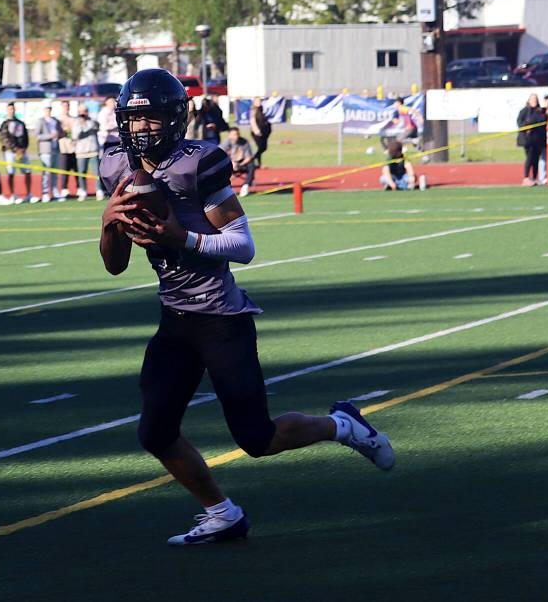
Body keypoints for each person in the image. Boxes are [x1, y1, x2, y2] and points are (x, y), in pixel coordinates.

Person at [98, 69, 394, 546]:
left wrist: (182, 237)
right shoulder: (115, 165)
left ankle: (341, 425)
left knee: (257, 439)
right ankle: (223, 514)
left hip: (221, 319)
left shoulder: (199, 163)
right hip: (176, 318)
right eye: (134, 119)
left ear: (175, 119)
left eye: (152, 118)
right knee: (155, 432)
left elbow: (242, 245)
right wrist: (110, 224)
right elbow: (114, 266)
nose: (142, 129)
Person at [0, 103, 36, 203]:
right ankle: (12, 195)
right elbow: (4, 139)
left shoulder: (20, 123)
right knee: (11, 173)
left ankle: (29, 194)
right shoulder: (5, 124)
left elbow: (25, 137)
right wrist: (15, 149)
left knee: (27, 172)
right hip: (10, 152)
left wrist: (23, 149)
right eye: (9, 109)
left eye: (13, 109)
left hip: (22, 151)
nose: (11, 111)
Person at [516, 93, 547, 187]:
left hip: (538, 139)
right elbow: (520, 124)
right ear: (529, 100)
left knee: (536, 159)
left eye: (536, 99)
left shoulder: (540, 111)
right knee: (529, 158)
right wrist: (528, 125)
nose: (534, 101)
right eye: (532, 99)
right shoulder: (524, 111)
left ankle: (534, 178)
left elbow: (543, 121)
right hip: (527, 139)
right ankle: (526, 178)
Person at [36, 104, 63, 203]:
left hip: (56, 148)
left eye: (50, 109)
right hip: (45, 150)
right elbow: (38, 136)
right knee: (46, 173)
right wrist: (50, 136)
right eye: (47, 109)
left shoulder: (55, 121)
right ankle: (45, 193)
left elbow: (61, 133)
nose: (48, 111)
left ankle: (55, 191)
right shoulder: (40, 121)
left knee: (55, 172)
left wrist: (60, 134)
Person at [73, 106, 101, 201]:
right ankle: (83, 191)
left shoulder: (92, 121)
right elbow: (76, 135)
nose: (83, 113)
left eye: (85, 111)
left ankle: (99, 190)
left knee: (96, 172)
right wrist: (81, 125)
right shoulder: (76, 122)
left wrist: (86, 124)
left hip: (93, 150)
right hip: (81, 151)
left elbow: (96, 126)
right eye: (81, 111)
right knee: (82, 172)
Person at [219, 127, 257, 197]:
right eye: (234, 134)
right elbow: (218, 155)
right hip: (228, 165)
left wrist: (239, 164)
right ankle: (220, 189)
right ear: (229, 135)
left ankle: (245, 186)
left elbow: (249, 157)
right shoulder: (226, 143)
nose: (236, 136)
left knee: (251, 165)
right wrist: (230, 163)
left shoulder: (244, 142)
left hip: (241, 164)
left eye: (238, 134)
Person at [96, 96, 120, 199]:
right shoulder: (103, 113)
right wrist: (115, 125)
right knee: (107, 166)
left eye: (113, 101)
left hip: (118, 141)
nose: (112, 103)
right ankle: (105, 189)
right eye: (110, 102)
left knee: (119, 166)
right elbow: (104, 126)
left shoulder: (117, 111)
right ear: (106, 103)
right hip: (107, 142)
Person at [56, 100, 77, 200]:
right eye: (64, 106)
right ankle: (64, 189)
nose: (66, 108)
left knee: (76, 169)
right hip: (63, 148)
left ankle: (79, 189)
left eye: (67, 106)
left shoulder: (74, 119)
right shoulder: (58, 120)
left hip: (74, 147)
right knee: (64, 170)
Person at [249, 98, 272, 167]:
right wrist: (256, 131)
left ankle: (258, 164)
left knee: (263, 148)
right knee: (261, 147)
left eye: (260, 101)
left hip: (263, 132)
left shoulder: (261, 109)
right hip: (257, 133)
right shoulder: (253, 110)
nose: (259, 102)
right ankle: (251, 160)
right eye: (257, 101)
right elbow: (252, 121)